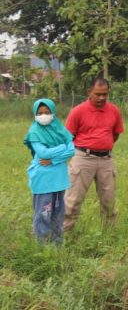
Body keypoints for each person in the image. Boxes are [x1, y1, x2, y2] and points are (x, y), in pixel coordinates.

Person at [63, 77, 124, 232]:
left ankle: (108, 236)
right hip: (83, 158)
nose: (102, 98)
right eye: (98, 94)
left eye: (105, 94)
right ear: (89, 91)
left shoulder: (114, 111)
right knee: (72, 201)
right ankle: (63, 235)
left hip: (106, 160)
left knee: (108, 201)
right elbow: (68, 137)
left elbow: (115, 135)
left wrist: (102, 146)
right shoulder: (77, 111)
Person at [24, 98, 76, 245]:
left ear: (53, 113)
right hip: (43, 179)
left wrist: (53, 160)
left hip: (59, 179)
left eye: (47, 112)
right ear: (35, 114)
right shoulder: (34, 132)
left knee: (58, 214)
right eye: (40, 113)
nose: (44, 115)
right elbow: (42, 153)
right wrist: (62, 147)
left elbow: (71, 150)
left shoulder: (60, 129)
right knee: (43, 214)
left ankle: (57, 245)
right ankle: (42, 246)